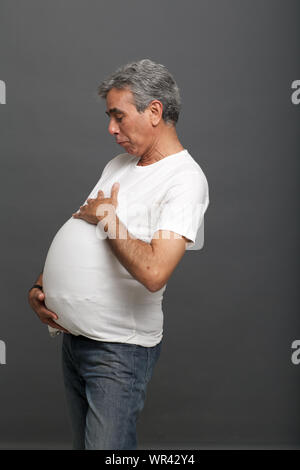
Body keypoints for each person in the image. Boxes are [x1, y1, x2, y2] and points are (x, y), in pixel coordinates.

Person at [28, 59, 209, 450]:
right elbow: (81, 225)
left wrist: (109, 219)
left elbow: (154, 270)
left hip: (118, 351)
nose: (111, 129)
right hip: (74, 341)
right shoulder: (119, 165)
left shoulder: (185, 179)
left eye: (119, 116)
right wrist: (43, 288)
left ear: (155, 111)